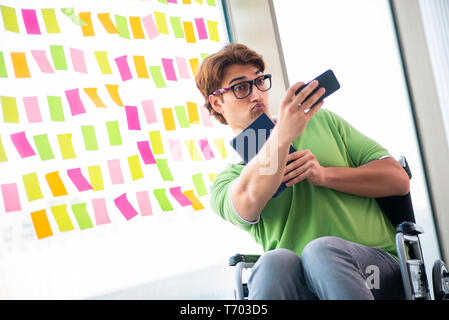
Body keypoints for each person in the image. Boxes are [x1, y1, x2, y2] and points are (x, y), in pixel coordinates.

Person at [195, 43, 410, 300]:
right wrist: (281, 137)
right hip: (300, 285)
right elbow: (247, 201)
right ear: (217, 102)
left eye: (260, 82)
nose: (257, 95)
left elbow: (398, 180)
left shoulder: (323, 122)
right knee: (273, 262)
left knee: (322, 250)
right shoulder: (228, 182)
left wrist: (324, 175)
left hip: (374, 271)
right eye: (241, 87)